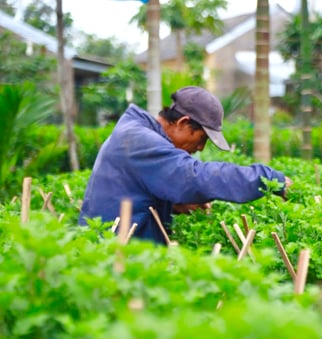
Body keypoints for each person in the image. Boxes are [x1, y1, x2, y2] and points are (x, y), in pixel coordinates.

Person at [79, 86, 292, 244]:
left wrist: (174, 205)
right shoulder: (140, 139)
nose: (200, 148)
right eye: (201, 138)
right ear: (183, 123)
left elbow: (134, 191)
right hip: (113, 256)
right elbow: (193, 177)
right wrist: (268, 178)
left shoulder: (136, 133)